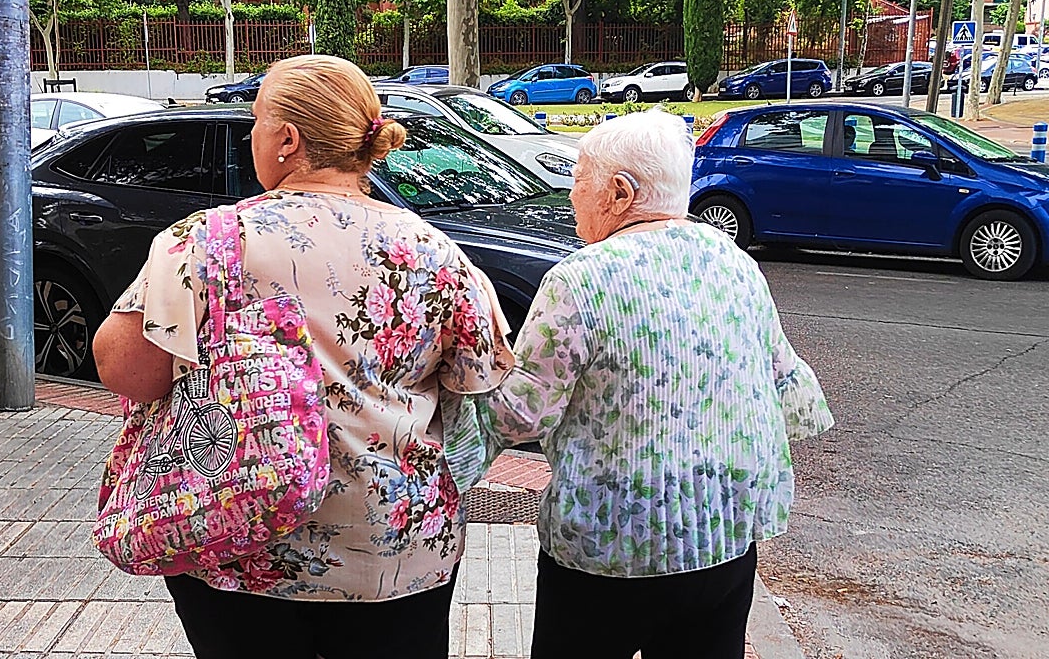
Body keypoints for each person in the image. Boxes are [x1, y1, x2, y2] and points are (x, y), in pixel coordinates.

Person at [93, 54, 505, 659]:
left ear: (287, 139)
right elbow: (483, 373)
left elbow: (128, 370)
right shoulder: (433, 249)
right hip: (398, 550)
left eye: (256, 120)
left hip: (240, 540)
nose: (250, 134)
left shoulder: (206, 242)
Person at [479, 110, 834, 659]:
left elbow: (517, 416)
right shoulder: (732, 262)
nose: (571, 197)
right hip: (722, 538)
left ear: (619, 193)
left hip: (610, 551)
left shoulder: (581, 279)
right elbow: (788, 391)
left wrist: (486, 362)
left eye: (577, 180)